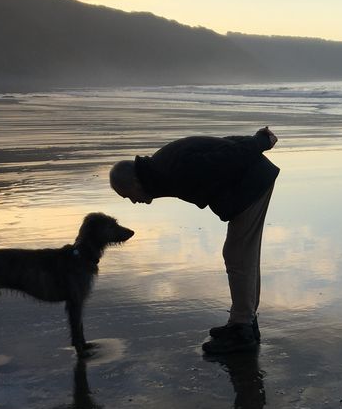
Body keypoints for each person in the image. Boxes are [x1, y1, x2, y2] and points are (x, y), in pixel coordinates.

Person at [109, 127, 279, 354]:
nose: (132, 201)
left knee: (239, 254)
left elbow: (229, 153)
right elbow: (222, 142)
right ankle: (244, 322)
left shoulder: (173, 169)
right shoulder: (158, 173)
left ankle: (242, 330)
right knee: (242, 253)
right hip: (248, 184)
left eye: (128, 195)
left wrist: (261, 141)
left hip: (253, 183)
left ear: (134, 183)